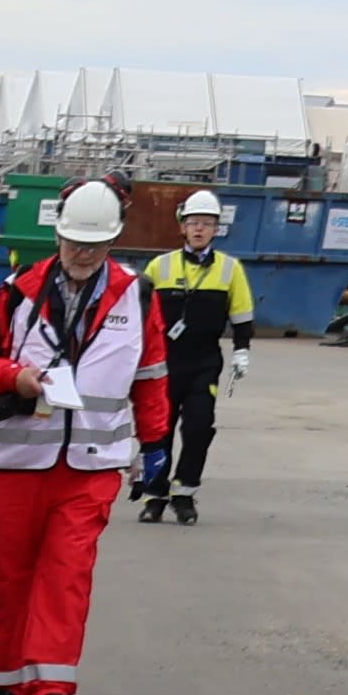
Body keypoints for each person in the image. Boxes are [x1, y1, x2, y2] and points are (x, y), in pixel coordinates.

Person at [0, 182, 163, 695]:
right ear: (57, 235)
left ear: (113, 240)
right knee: (8, 575)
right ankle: (1, 687)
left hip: (92, 466)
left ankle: (49, 691)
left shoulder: (137, 296)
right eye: (74, 242)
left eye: (94, 245)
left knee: (67, 574)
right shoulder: (18, 290)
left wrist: (156, 444)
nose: (83, 253)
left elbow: (151, 374)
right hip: (14, 463)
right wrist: (14, 377)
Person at [131, 198, 257, 527]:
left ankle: (184, 494)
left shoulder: (230, 268)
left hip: (204, 362)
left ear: (217, 229)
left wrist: (242, 350)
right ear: (182, 227)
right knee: (158, 430)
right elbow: (138, 315)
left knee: (199, 427)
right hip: (163, 363)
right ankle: (154, 496)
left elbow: (242, 314)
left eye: (207, 223)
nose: (199, 229)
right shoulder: (159, 266)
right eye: (193, 222)